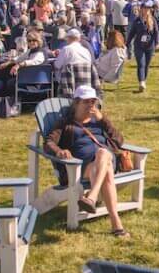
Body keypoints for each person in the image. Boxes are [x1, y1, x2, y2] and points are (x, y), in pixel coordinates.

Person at [44, 85, 131, 238]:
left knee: (104, 154)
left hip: (103, 161)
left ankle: (92, 196)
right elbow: (48, 143)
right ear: (76, 103)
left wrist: (103, 120)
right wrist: (59, 151)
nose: (91, 105)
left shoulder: (99, 121)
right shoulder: (66, 123)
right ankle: (116, 224)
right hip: (81, 167)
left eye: (93, 102)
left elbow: (119, 141)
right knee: (106, 167)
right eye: (86, 102)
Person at [54, 28, 102, 98]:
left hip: (69, 81)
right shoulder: (86, 51)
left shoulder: (66, 49)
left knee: (57, 71)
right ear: (79, 39)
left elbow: (57, 65)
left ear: (68, 38)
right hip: (86, 79)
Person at [126, 0, 159, 92]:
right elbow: (132, 33)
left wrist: (157, 42)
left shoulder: (153, 20)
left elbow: (156, 32)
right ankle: (141, 82)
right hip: (138, 46)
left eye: (148, 8)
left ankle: (144, 80)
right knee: (141, 64)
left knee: (147, 65)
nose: (146, 10)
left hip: (149, 46)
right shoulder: (137, 20)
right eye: (145, 8)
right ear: (141, 9)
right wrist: (127, 43)